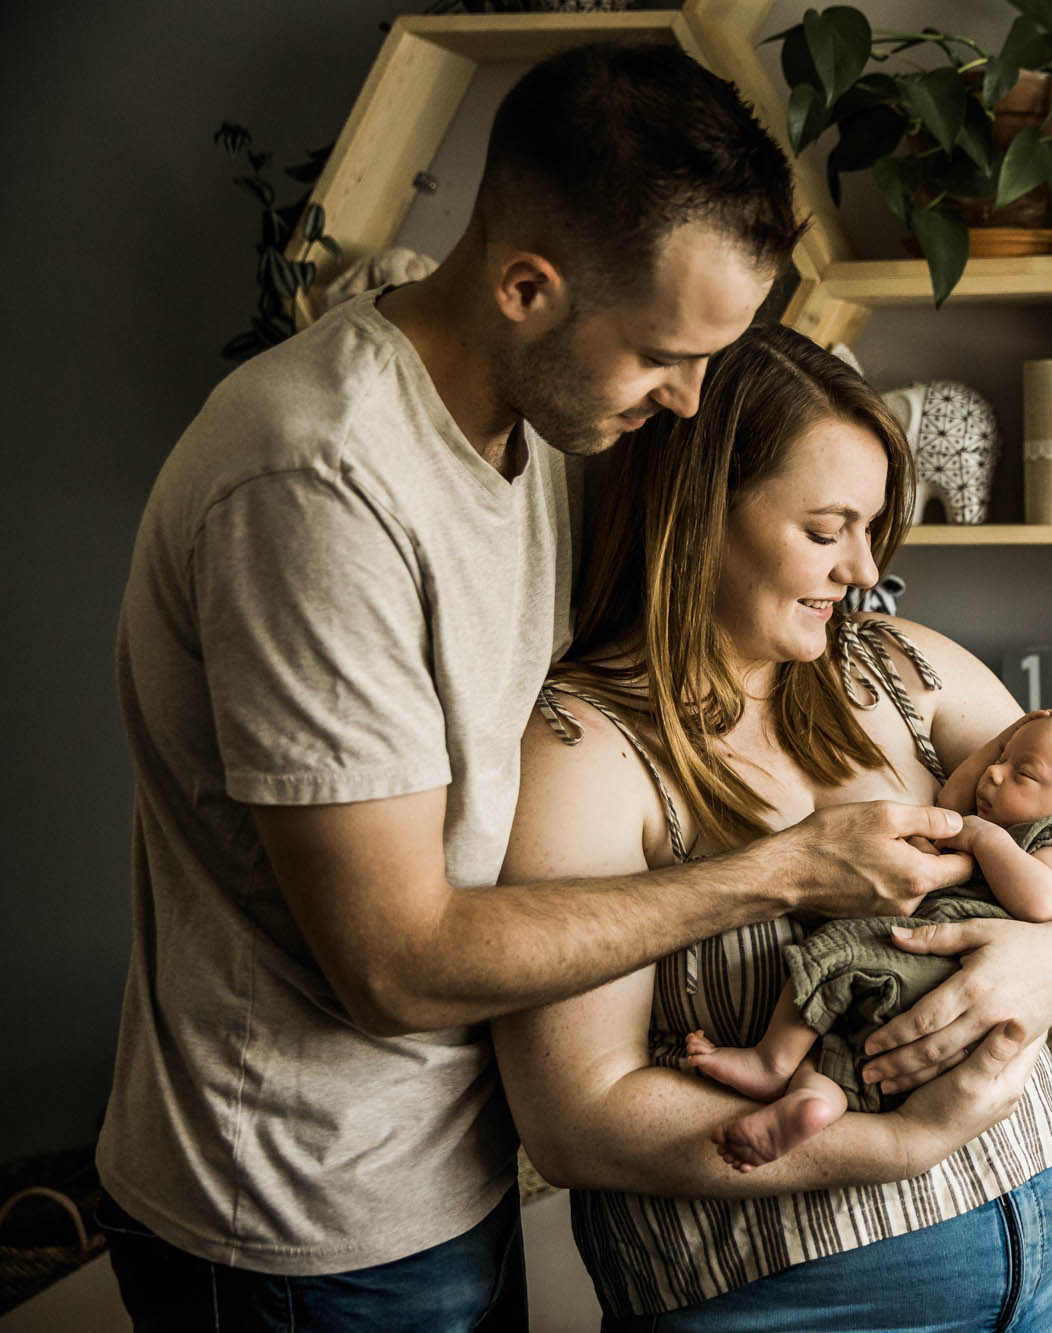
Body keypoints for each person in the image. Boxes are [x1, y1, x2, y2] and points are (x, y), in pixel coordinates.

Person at [98, 43, 993, 1332]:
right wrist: (788, 870)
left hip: (450, 1166)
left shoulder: (547, 412)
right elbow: (394, 964)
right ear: (526, 286)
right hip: (300, 1218)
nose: (688, 399)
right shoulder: (314, 486)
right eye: (664, 356)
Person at [492, 324, 1052, 1330]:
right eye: (825, 529)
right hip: (802, 1302)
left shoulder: (896, 666)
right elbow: (579, 1119)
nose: (861, 570)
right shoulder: (581, 750)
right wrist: (898, 1146)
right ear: (697, 513)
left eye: (870, 528)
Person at [685, 710, 1052, 1171]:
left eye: (1023, 772)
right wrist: (1002, 741)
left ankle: (772, 1061)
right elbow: (951, 802)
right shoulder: (993, 810)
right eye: (1002, 758)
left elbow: (1044, 902)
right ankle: (811, 1104)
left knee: (833, 953)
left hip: (952, 964)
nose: (993, 773)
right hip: (930, 976)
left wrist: (985, 839)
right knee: (842, 1049)